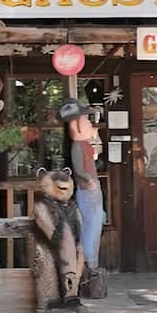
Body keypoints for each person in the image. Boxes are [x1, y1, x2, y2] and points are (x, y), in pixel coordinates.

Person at [59, 97, 107, 298]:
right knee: (91, 226)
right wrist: (88, 180)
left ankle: (91, 264)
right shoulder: (77, 146)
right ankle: (89, 265)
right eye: (86, 120)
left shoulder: (84, 144)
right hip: (88, 190)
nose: (89, 124)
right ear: (75, 125)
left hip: (92, 190)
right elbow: (79, 169)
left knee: (96, 223)